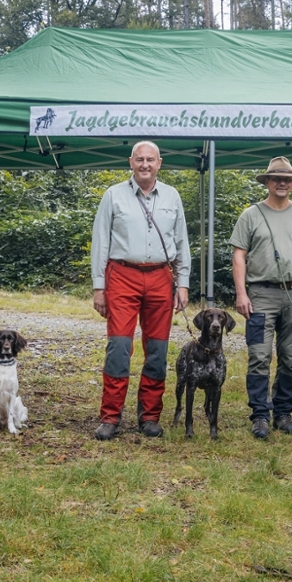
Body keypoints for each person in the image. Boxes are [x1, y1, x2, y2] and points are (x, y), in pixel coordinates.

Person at [90, 141, 190, 440]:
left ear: (160, 162)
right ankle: (110, 416)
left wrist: (182, 283)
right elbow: (100, 241)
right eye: (139, 159)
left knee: (157, 350)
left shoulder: (172, 196)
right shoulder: (113, 195)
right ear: (130, 162)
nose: (145, 164)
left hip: (161, 276)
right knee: (119, 347)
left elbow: (182, 242)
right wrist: (99, 286)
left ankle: (149, 416)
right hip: (121, 274)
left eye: (150, 160)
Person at [230, 156, 292, 440]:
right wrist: (241, 293)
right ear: (268, 182)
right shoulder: (250, 215)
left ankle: (284, 412)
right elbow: (239, 256)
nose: (283, 183)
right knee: (259, 356)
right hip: (261, 294)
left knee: (290, 358)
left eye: (288, 179)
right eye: (277, 178)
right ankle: (260, 414)